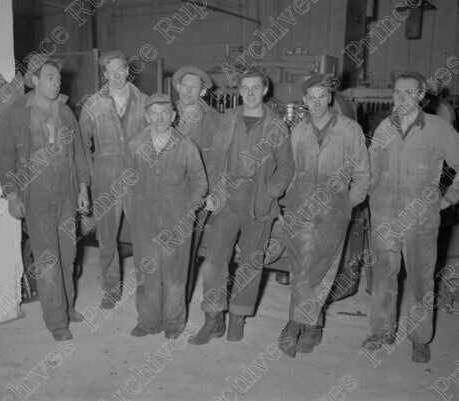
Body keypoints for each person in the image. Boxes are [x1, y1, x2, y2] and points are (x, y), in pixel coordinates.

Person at [188, 67, 294, 345]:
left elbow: (286, 166)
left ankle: (238, 316)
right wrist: (213, 190)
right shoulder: (229, 118)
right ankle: (213, 319)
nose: (250, 93)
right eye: (245, 88)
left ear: (265, 90)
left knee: (251, 262)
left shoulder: (276, 125)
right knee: (214, 260)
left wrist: (270, 192)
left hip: (259, 203)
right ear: (239, 91)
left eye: (255, 87)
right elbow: (215, 158)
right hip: (228, 199)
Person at [364, 71, 459, 363]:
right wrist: (366, 196)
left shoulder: (437, 127)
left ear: (420, 95)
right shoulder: (384, 127)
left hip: (420, 221)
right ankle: (382, 332)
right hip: (384, 217)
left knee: (421, 281)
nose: (402, 97)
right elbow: (372, 168)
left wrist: (449, 198)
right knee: (382, 278)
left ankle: (420, 339)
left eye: (409, 92)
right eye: (397, 92)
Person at [0, 54, 90, 341]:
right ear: (34, 80)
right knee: (48, 259)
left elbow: (79, 154)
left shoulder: (66, 112)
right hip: (36, 195)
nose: (56, 82)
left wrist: (83, 187)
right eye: (50, 78)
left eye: (58, 78)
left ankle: (68, 306)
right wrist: (12, 195)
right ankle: (56, 321)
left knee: (69, 255)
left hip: (66, 193)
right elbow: (5, 158)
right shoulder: (16, 113)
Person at [278, 74, 370, 358]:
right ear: (304, 100)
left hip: (333, 209)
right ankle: (313, 325)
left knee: (322, 268)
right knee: (301, 269)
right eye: (311, 97)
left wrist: (346, 204)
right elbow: (290, 171)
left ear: (330, 97)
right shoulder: (298, 130)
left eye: (322, 96)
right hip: (299, 207)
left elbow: (362, 174)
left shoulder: (350, 130)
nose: (316, 102)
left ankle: (294, 324)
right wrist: (287, 204)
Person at [124, 93, 208, 339]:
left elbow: (200, 182)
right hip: (144, 219)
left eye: (164, 113)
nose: (159, 118)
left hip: (177, 219)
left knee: (175, 274)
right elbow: (128, 182)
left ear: (173, 116)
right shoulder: (135, 145)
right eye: (154, 113)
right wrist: (133, 214)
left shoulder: (186, 145)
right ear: (146, 116)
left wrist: (188, 209)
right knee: (146, 272)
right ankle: (148, 321)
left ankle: (173, 323)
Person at [79, 50, 147, 310]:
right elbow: (82, 144)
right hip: (105, 180)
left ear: (127, 70)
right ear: (104, 74)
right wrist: (90, 176)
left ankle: (148, 287)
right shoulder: (93, 104)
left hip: (137, 178)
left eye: (122, 70)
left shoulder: (144, 101)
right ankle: (110, 290)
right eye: (112, 72)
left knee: (144, 235)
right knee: (106, 238)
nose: (117, 76)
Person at [172, 65, 221, 296]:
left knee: (188, 249)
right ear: (178, 87)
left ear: (202, 91)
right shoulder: (165, 113)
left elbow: (219, 160)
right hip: (167, 191)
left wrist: (213, 192)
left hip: (197, 193)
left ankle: (180, 300)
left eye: (194, 87)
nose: (188, 90)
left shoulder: (214, 119)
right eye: (185, 85)